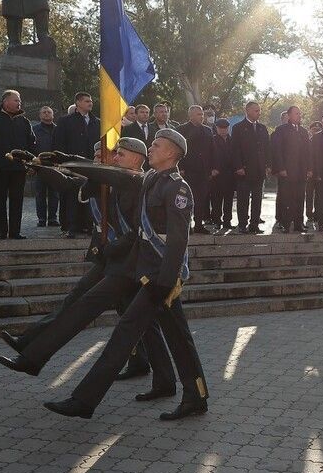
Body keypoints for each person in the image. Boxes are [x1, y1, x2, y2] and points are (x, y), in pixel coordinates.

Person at [44, 129, 208, 420]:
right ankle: (194, 395)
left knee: (127, 334)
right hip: (149, 274)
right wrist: (66, 161)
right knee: (178, 338)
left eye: (156, 145)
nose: (151, 149)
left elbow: (177, 240)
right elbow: (108, 174)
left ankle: (84, 400)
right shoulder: (149, 180)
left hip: (161, 277)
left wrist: (167, 281)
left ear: (171, 153)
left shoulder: (177, 188)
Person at [0, 138, 176, 396]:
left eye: (118, 154)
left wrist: (62, 158)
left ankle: (33, 357)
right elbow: (68, 182)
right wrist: (38, 164)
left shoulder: (139, 183)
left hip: (129, 261)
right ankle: (156, 374)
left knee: (85, 307)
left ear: (136, 157)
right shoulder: (107, 179)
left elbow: (137, 230)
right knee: (131, 317)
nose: (113, 159)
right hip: (112, 259)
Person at [0, 90, 35, 240]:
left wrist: (31, 164)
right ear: (5, 102)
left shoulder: (24, 122)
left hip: (19, 168)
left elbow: (31, 145)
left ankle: (15, 231)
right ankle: (2, 231)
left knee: (17, 200)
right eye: (16, 100)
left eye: (20, 101)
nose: (19, 103)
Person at [54, 92, 100, 237]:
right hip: (71, 165)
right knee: (71, 196)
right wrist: (60, 163)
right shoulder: (65, 121)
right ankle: (70, 225)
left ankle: (88, 224)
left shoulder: (97, 122)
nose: (90, 103)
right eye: (87, 101)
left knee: (89, 194)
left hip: (91, 165)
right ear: (78, 103)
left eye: (91, 101)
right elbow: (58, 143)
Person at [176, 105, 219, 235]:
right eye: (198, 114)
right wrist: (181, 167)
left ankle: (199, 224)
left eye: (202, 114)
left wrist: (214, 167)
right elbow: (178, 150)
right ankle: (187, 225)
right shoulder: (181, 129)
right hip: (188, 171)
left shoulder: (207, 130)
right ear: (191, 115)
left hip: (204, 171)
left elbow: (213, 150)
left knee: (201, 199)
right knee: (186, 199)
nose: (201, 116)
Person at [231, 101, 269, 233]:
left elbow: (267, 149)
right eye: (255, 110)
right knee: (243, 199)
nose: (258, 113)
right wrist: (238, 167)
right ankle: (242, 224)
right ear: (247, 111)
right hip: (244, 170)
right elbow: (234, 150)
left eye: (259, 110)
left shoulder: (262, 128)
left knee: (257, 199)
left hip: (259, 170)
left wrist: (268, 165)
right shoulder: (238, 128)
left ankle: (254, 225)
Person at [272, 105, 311, 233]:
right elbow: (277, 150)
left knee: (300, 198)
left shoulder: (303, 131)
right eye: (296, 113)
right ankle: (285, 223)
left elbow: (307, 152)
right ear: (289, 115)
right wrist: (281, 168)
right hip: (286, 171)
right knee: (286, 198)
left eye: (300, 113)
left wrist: (309, 168)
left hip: (301, 172)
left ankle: (298, 223)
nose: (299, 116)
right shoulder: (281, 130)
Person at [31, 106, 59, 227]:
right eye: (44, 112)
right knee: (40, 193)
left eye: (49, 112)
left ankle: (53, 218)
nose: (47, 114)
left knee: (54, 193)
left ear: (53, 115)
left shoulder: (59, 129)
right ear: (40, 115)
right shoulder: (34, 129)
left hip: (54, 165)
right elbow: (31, 146)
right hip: (39, 165)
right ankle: (41, 218)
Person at [211, 118, 235, 231]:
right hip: (217, 175)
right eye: (221, 128)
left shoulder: (232, 140)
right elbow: (209, 156)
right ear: (217, 128)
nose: (223, 130)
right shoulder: (212, 140)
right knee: (216, 200)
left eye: (225, 128)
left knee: (229, 200)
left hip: (230, 174)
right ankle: (216, 221)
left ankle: (227, 221)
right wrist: (212, 169)